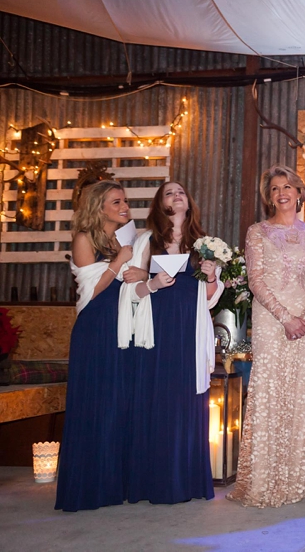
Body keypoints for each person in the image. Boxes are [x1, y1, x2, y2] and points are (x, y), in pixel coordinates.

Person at [228, 166, 305, 507]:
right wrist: (286, 318)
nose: (282, 192)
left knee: (299, 394)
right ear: (268, 197)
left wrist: (304, 317)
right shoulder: (257, 232)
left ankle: (293, 482)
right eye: (274, 189)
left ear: (300, 192)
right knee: (269, 393)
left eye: (288, 186)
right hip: (272, 321)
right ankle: (263, 481)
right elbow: (255, 280)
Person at [124, 181, 222, 504]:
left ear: (188, 202)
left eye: (181, 192)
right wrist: (151, 283)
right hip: (157, 331)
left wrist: (210, 276)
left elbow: (209, 299)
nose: (176, 195)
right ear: (158, 204)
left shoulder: (203, 244)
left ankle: (186, 481)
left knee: (186, 404)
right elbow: (130, 293)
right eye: (169, 192)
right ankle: (154, 481)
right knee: (157, 401)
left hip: (189, 332)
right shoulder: (146, 242)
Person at [55, 180, 142, 511]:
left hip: (122, 324)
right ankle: (89, 486)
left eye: (125, 200)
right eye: (116, 201)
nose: (124, 207)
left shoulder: (119, 239)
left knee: (118, 402)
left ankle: (113, 482)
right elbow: (92, 291)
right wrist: (120, 261)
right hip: (96, 326)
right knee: (97, 402)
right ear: (98, 207)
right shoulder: (84, 239)